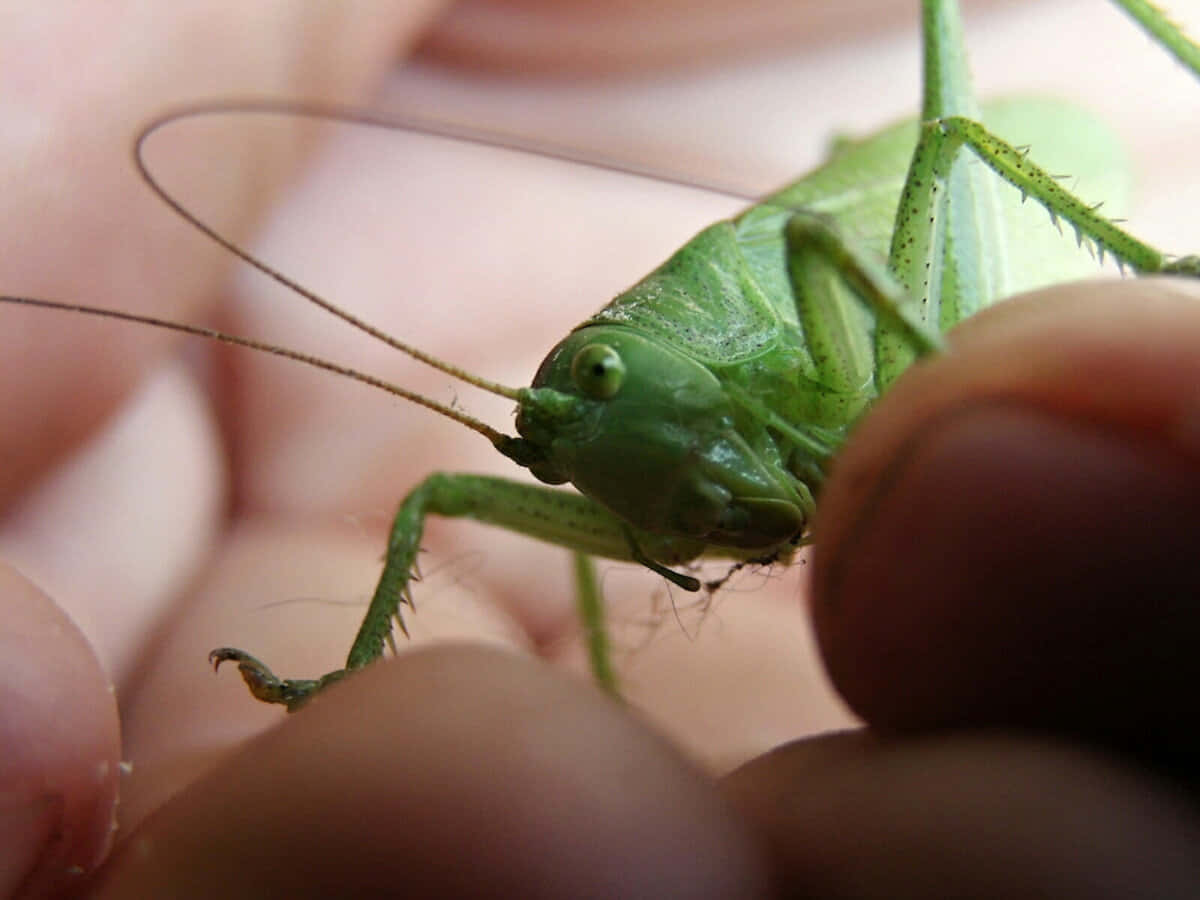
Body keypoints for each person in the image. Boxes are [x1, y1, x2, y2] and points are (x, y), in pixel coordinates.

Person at [4, 2, 1199, 895]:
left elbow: (829, 250)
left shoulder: (723, 323)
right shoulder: (593, 427)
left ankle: (1152, 269)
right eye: (563, 454)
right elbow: (438, 497)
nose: (578, 451)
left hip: (956, 292)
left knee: (939, 120)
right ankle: (418, 686)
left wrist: (1137, 290)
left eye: (595, 392)